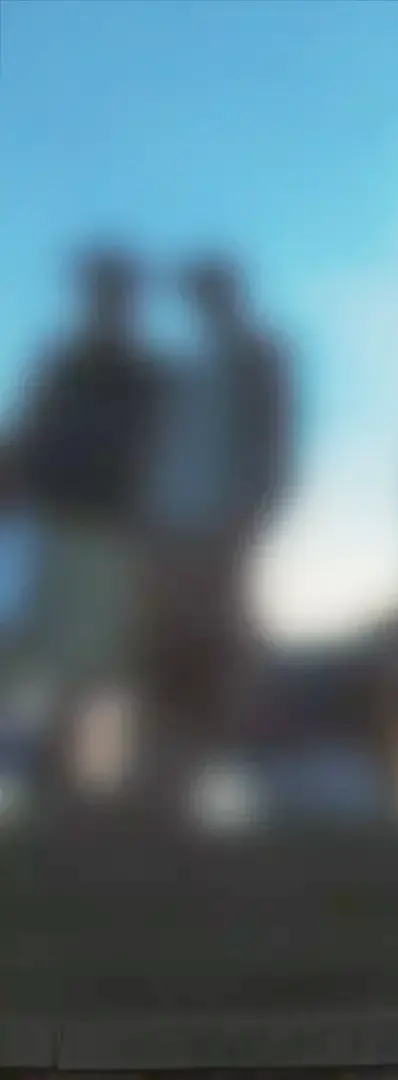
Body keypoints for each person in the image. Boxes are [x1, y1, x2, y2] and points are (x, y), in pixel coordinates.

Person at [12, 247, 168, 808]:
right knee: (50, 654)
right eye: (97, 290)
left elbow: (162, 455)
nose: (103, 302)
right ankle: (53, 784)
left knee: (99, 664)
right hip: (56, 526)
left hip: (115, 531)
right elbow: (32, 435)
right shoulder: (61, 366)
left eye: (113, 290)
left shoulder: (147, 376)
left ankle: (91, 791)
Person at [140, 254, 292, 790]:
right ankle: (167, 767)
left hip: (222, 521)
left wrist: (251, 510)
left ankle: (220, 763)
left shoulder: (258, 356)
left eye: (208, 290)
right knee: (168, 638)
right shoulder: (184, 367)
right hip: (169, 524)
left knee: (221, 639)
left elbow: (272, 441)